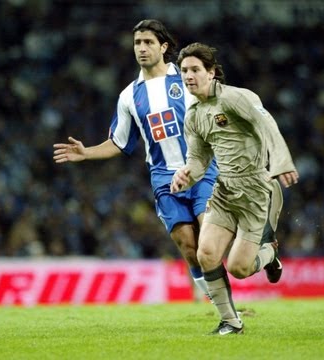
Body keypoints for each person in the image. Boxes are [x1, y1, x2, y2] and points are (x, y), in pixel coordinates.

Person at [53, 19, 219, 302]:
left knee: (208, 241)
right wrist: (87, 152)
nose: (141, 48)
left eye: (148, 42)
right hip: (164, 178)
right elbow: (119, 142)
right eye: (137, 43)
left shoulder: (187, 77)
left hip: (201, 170)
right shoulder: (129, 96)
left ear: (163, 47)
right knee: (188, 246)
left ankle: (252, 261)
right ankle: (223, 308)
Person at [171, 42, 299, 335]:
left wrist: (281, 162)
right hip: (225, 191)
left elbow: (266, 123)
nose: (188, 76)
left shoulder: (236, 98)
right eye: (184, 71)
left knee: (240, 269)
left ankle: (268, 254)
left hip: (256, 191)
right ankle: (230, 321)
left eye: (194, 70)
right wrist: (186, 175)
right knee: (205, 254)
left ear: (212, 72)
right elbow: (199, 160)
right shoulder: (193, 116)